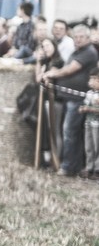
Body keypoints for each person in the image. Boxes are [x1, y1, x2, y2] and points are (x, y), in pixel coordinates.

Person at [41, 23, 99, 177]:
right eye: (76, 37)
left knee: (70, 132)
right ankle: (72, 165)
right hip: (69, 98)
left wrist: (53, 74)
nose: (77, 40)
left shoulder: (89, 52)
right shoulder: (77, 51)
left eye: (81, 37)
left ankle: (68, 166)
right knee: (70, 132)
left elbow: (70, 69)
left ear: (88, 38)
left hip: (78, 99)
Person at [79, 70, 99, 180]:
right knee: (88, 145)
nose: (91, 82)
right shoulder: (89, 93)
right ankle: (89, 167)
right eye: (90, 79)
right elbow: (85, 104)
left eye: (94, 79)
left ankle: (97, 169)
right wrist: (82, 108)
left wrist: (90, 109)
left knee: (97, 146)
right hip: (89, 123)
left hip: (97, 124)